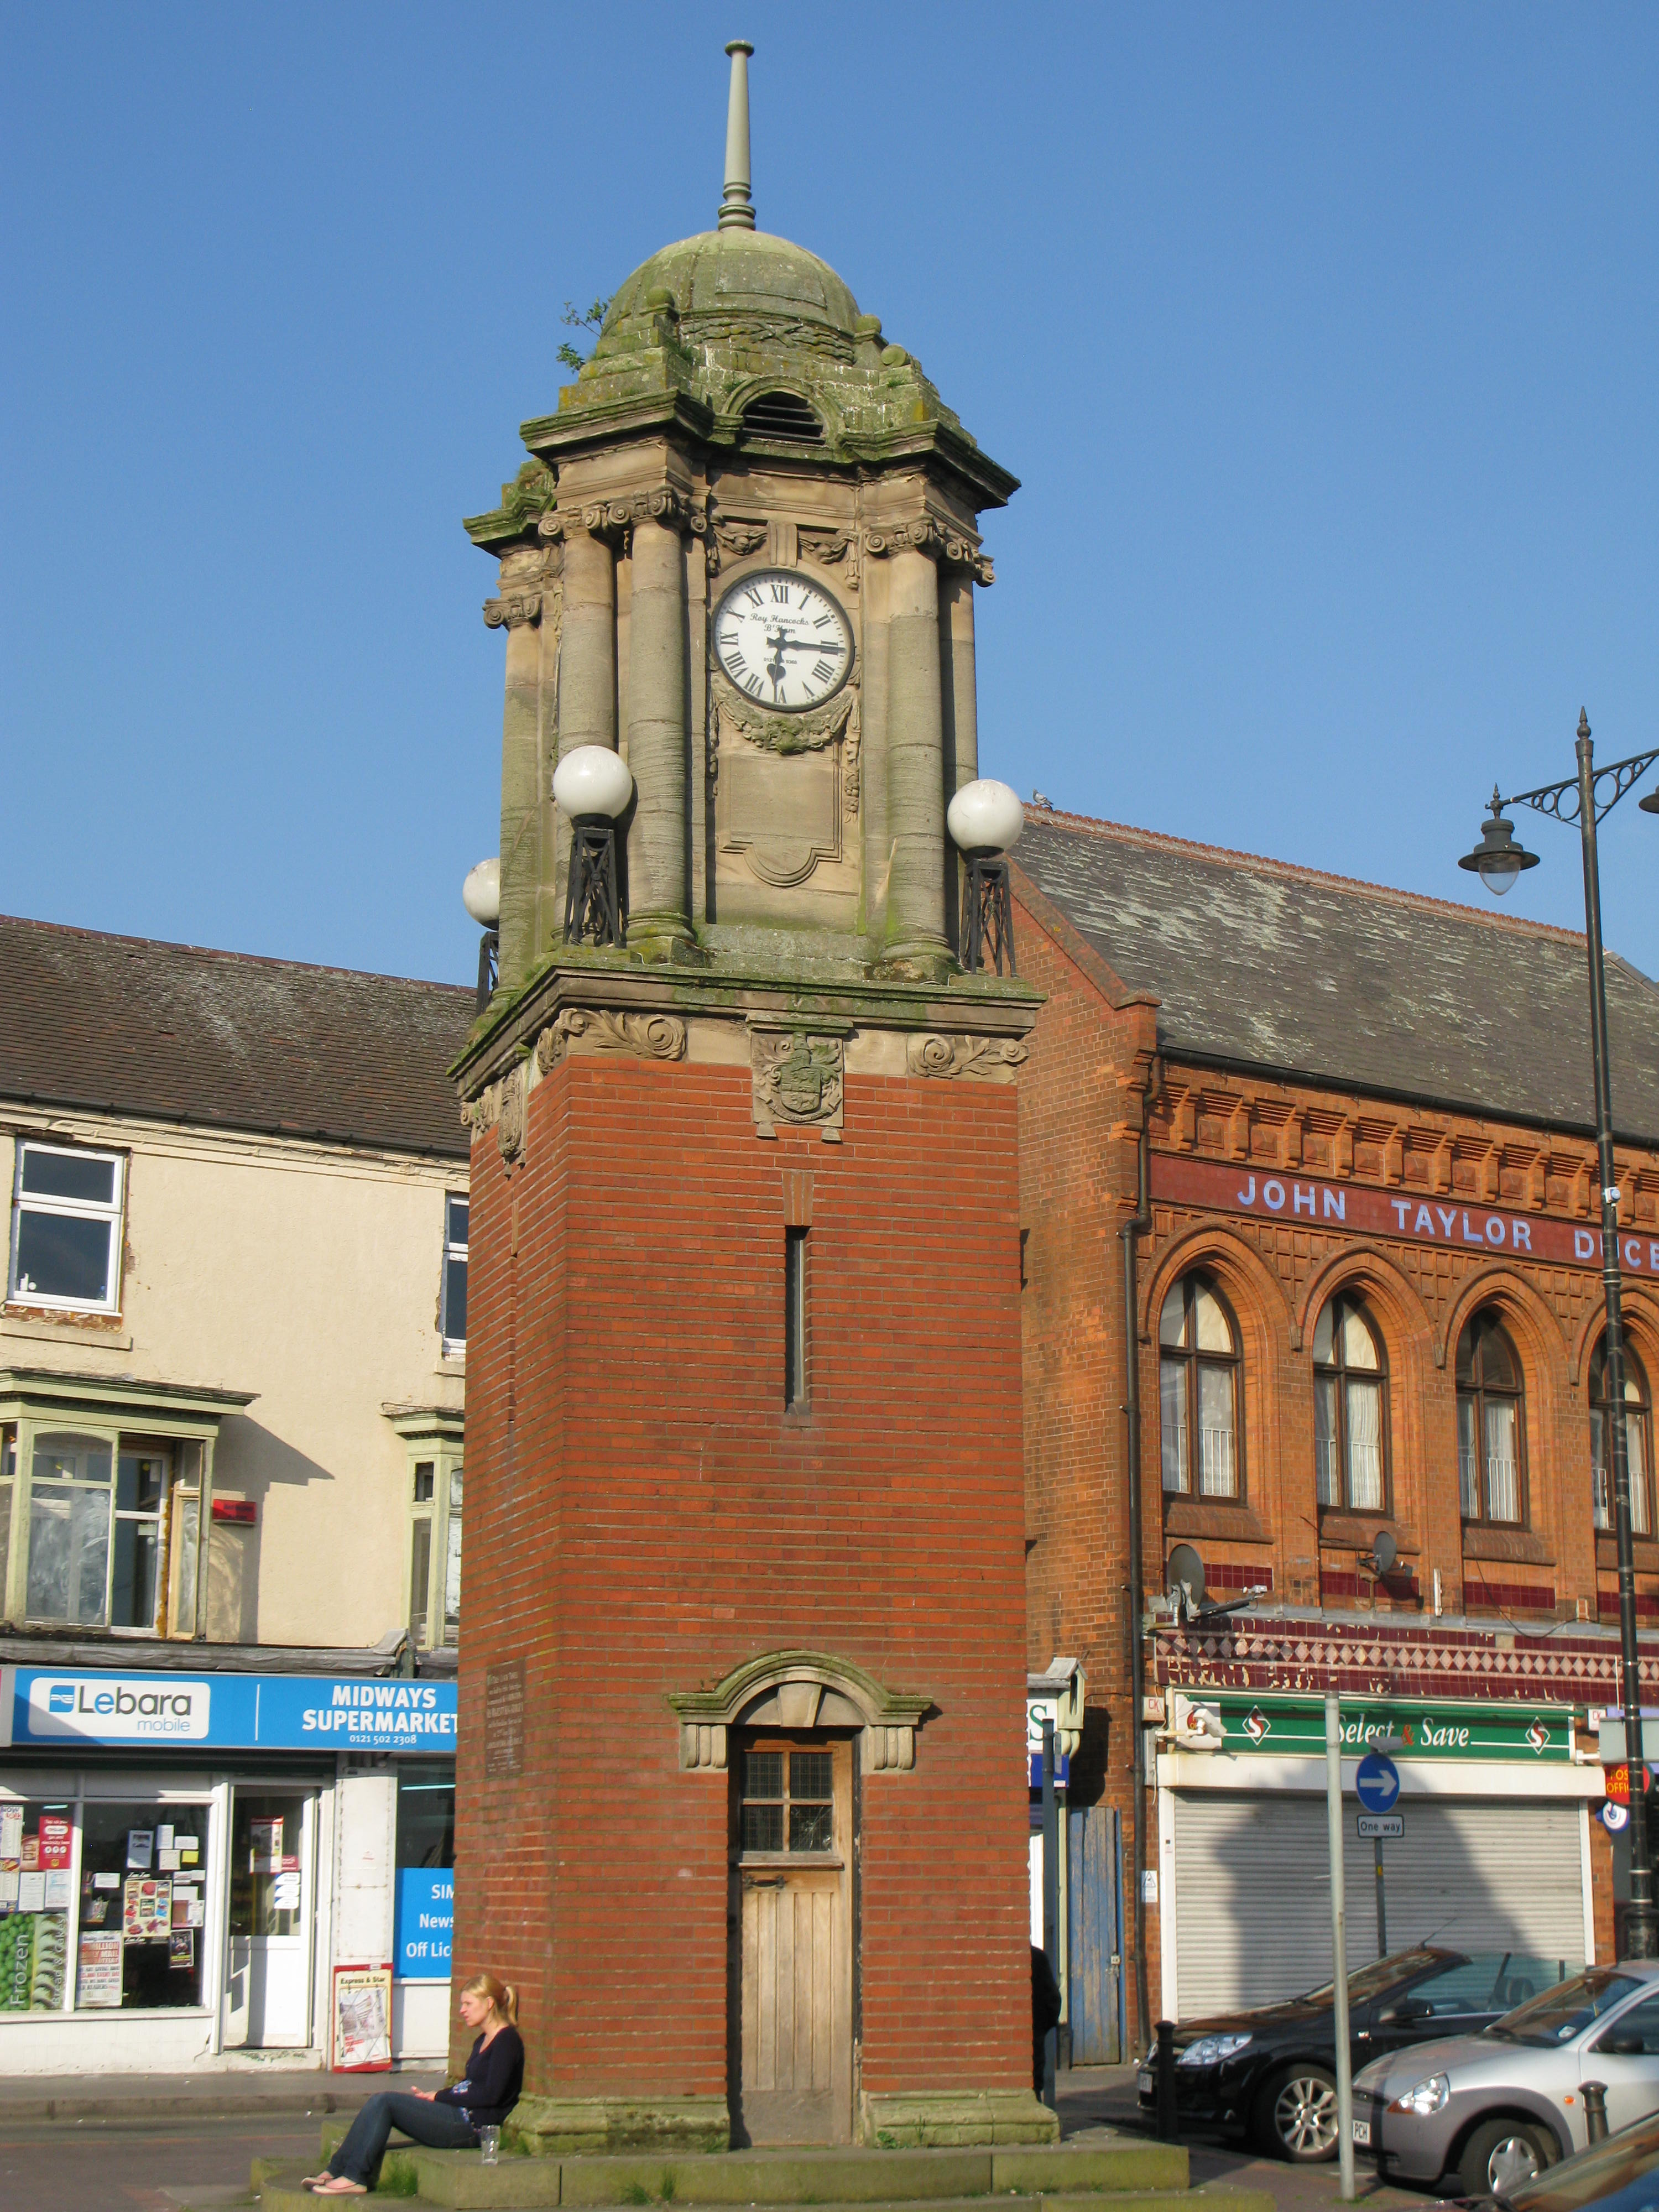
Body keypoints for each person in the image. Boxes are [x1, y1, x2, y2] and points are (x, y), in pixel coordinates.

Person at [304, 1973, 524, 2195]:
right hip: (456, 2113)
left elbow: (490, 2095)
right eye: (462, 2004)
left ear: (488, 2004)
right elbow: (470, 2086)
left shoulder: (507, 2042)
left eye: (468, 2004)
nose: (462, 2010)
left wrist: (440, 2097)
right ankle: (335, 2170)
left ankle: (355, 2178)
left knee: (386, 2103)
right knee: (378, 2101)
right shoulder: (482, 2040)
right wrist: (436, 2095)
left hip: (472, 2127)